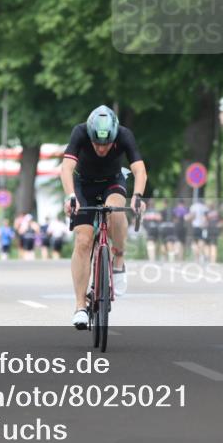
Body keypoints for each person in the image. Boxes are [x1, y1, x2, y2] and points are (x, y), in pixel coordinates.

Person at [62, 105, 147, 330]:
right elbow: (66, 168)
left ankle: (118, 259)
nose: (101, 148)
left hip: (112, 182)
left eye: (106, 144)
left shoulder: (125, 135)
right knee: (83, 240)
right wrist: (71, 196)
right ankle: (80, 305)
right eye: (97, 143)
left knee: (116, 212)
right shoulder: (79, 132)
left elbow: (139, 170)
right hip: (83, 185)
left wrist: (137, 196)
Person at [187, 197, 210, 263]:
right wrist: (204, 224)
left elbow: (192, 216)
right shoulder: (205, 207)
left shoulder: (193, 207)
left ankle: (196, 257)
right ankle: (201, 255)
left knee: (194, 242)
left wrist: (187, 218)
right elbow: (206, 217)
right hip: (202, 226)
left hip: (195, 226)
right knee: (201, 241)